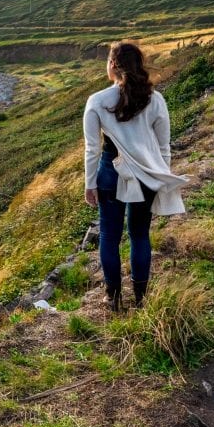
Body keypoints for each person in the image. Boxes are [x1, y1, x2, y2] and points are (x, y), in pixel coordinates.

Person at [83, 42, 187, 312]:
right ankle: (141, 299)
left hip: (110, 171)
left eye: (107, 60)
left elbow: (92, 148)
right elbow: (164, 147)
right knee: (139, 234)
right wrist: (161, 178)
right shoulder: (155, 100)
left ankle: (112, 297)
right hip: (145, 174)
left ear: (114, 65)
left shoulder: (97, 101)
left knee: (109, 234)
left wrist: (89, 183)